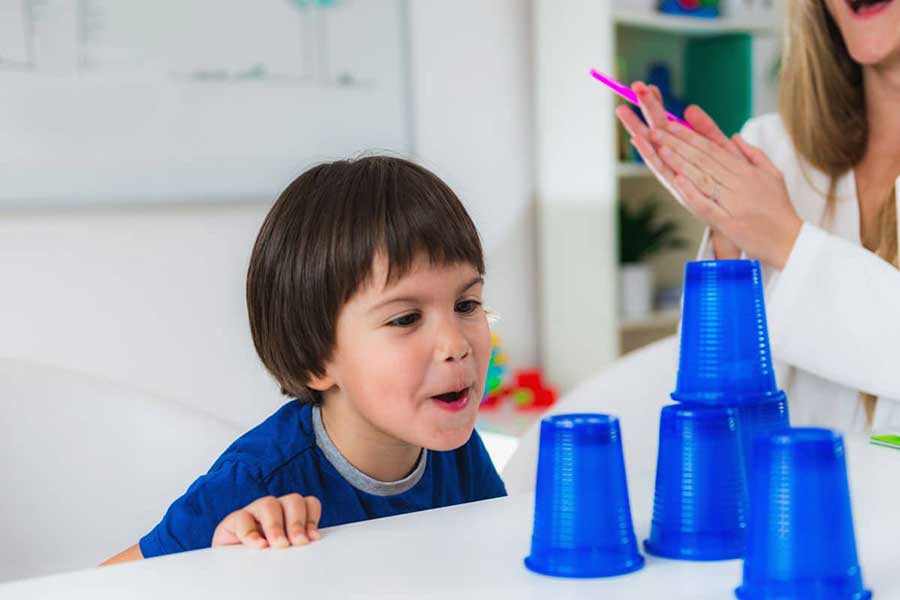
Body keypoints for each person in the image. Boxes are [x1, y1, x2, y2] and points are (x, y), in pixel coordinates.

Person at [102, 155, 507, 565]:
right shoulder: (254, 488)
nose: (455, 344)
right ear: (315, 359)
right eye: (405, 318)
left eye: (466, 304)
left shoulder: (457, 452)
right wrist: (217, 572)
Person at [617, 0, 900, 432]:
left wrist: (786, 240)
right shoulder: (770, 149)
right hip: (790, 498)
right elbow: (714, 401)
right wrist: (729, 248)